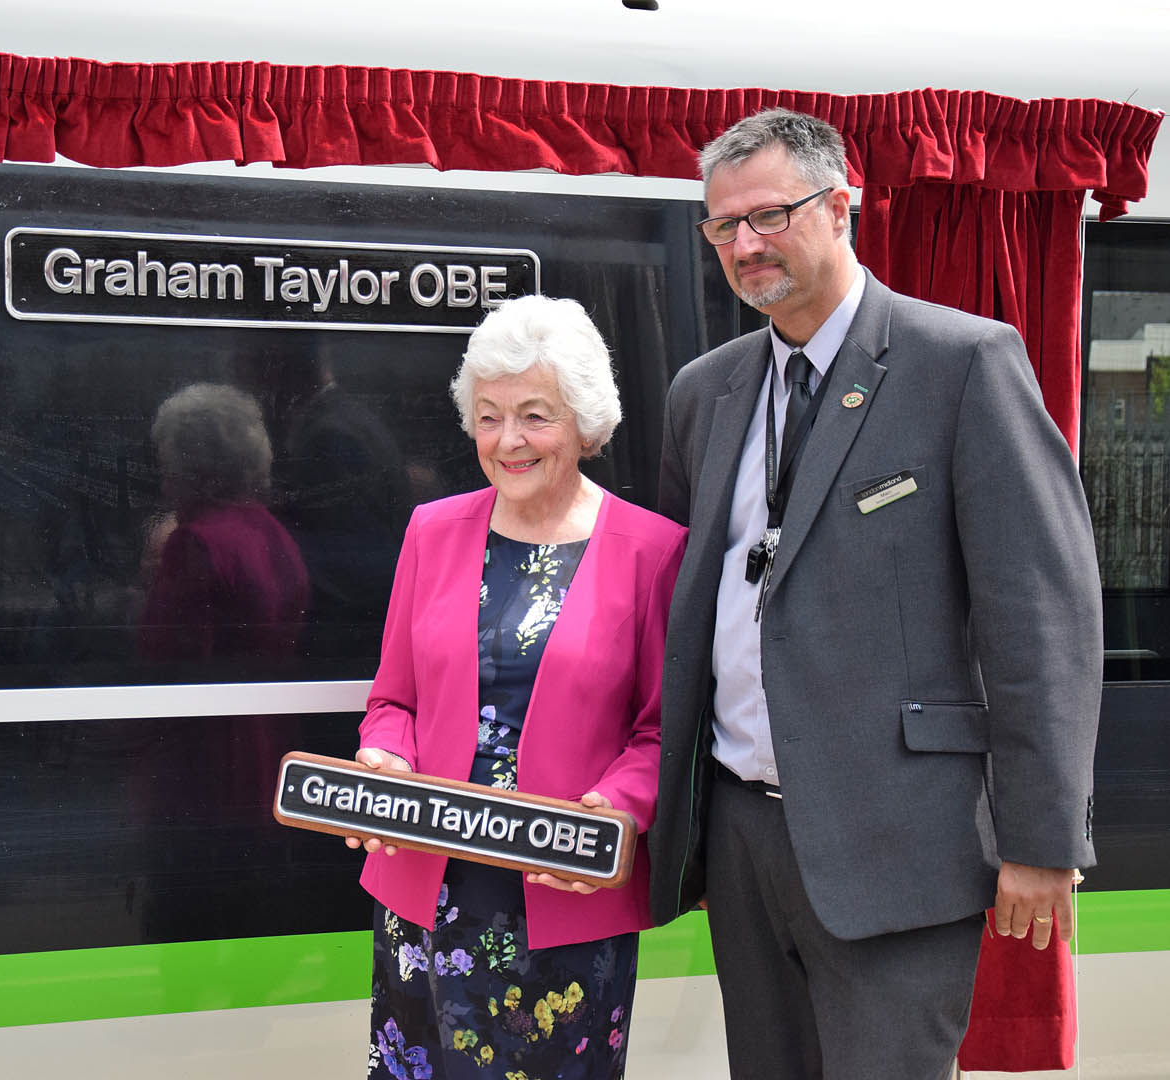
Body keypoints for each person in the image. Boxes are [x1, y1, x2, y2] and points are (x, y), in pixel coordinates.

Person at [649, 108, 1103, 1079]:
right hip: (741, 836)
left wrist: (1040, 837)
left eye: (769, 215)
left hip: (900, 841)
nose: (745, 244)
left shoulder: (962, 362)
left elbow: (1040, 613)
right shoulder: (703, 392)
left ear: (839, 206)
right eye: (723, 225)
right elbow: (683, 610)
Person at [351, 294, 686, 1079]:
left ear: (584, 423)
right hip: (424, 895)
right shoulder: (431, 531)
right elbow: (393, 701)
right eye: (489, 416)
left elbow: (664, 730)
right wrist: (386, 758)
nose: (508, 441)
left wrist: (616, 807)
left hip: (563, 898)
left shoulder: (654, 552)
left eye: (535, 416)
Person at [139, 382, 309, 664]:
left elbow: (169, 660)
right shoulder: (273, 532)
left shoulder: (194, 545)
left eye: (168, 469)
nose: (164, 487)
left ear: (197, 472)